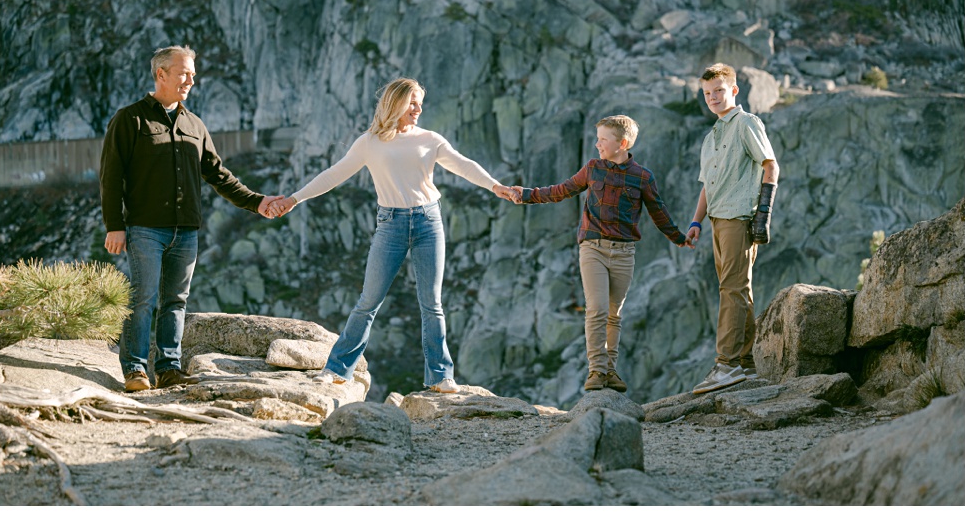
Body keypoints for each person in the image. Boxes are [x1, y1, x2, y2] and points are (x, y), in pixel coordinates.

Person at [269, 78, 520, 394]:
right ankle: (336, 370)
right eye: (412, 103)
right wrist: (294, 198)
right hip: (390, 225)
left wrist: (495, 186)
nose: (418, 109)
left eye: (420, 104)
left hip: (429, 221)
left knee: (432, 304)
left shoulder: (430, 139)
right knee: (368, 301)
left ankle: (440, 376)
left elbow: (463, 165)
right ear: (396, 103)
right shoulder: (369, 142)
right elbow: (333, 174)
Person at [100, 45, 284, 393]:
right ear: (161, 74)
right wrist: (115, 225)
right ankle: (135, 370)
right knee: (142, 297)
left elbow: (219, 175)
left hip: (186, 233)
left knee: (175, 301)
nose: (191, 80)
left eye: (193, 74)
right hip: (144, 230)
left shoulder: (194, 124)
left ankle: (169, 368)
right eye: (184, 73)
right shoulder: (130, 119)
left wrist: (257, 202)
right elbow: (111, 177)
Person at [511, 115, 692, 393]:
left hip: (624, 253)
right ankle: (596, 370)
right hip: (592, 248)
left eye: (602, 140)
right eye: (597, 139)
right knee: (596, 309)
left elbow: (659, 213)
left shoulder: (643, 177)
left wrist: (680, 238)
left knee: (613, 314)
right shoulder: (593, 168)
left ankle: (610, 371)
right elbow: (561, 190)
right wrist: (526, 194)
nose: (597, 144)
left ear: (622, 143)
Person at [686, 63, 779, 395]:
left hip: (740, 219)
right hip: (716, 221)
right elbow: (706, 188)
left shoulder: (746, 124)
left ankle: (725, 366)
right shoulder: (711, 137)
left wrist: (763, 214)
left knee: (732, 289)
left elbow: (770, 165)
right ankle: (746, 365)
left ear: (734, 90)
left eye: (719, 91)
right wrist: (696, 222)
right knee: (740, 290)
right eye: (708, 93)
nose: (713, 98)